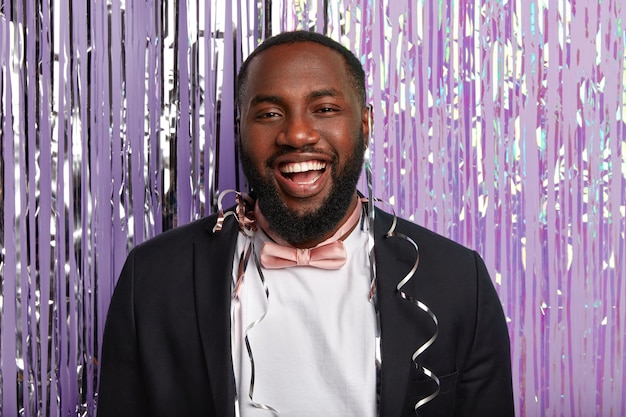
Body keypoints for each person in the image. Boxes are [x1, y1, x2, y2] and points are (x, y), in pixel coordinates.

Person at [97, 31, 515, 417]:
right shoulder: (151, 278)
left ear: (365, 124)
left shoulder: (459, 280)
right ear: (240, 128)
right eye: (270, 113)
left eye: (325, 109)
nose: (297, 134)